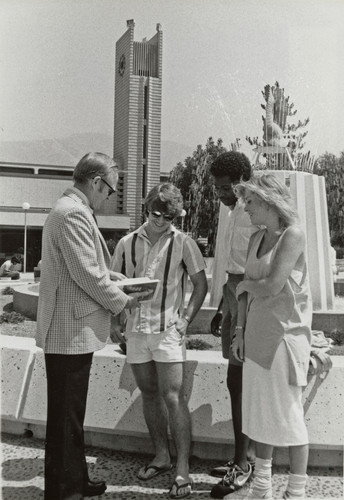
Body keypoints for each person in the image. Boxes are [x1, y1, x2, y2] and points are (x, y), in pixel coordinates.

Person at [36, 152, 144, 500]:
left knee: (70, 416)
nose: (109, 198)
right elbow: (86, 274)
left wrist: (114, 278)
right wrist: (123, 300)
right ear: (96, 182)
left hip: (70, 330)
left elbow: (85, 267)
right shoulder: (73, 214)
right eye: (110, 191)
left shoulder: (70, 211)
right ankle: (65, 491)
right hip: (69, 332)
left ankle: (75, 481)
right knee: (66, 419)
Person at [110, 183, 208, 499]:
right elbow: (112, 285)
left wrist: (186, 319)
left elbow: (200, 284)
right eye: (156, 213)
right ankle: (161, 455)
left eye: (168, 216)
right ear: (146, 208)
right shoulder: (126, 243)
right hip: (137, 331)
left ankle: (182, 466)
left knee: (174, 396)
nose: (160, 221)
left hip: (168, 331)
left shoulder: (184, 243)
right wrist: (115, 319)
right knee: (150, 393)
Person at [230, 173, 313, 499]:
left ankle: (296, 490)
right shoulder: (255, 239)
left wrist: (246, 285)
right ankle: (262, 485)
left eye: (250, 202)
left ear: (268, 201)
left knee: (289, 415)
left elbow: (272, 285)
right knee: (260, 413)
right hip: (256, 335)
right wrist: (239, 333)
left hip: (284, 337)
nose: (246, 209)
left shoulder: (293, 235)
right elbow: (244, 297)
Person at [208, 152, 257, 499]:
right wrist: (224, 309)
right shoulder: (234, 210)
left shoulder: (255, 209)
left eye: (225, 188)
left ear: (242, 180)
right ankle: (243, 456)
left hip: (248, 296)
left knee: (240, 381)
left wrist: (241, 307)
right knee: (235, 379)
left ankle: (244, 463)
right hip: (232, 294)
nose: (220, 194)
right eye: (216, 188)